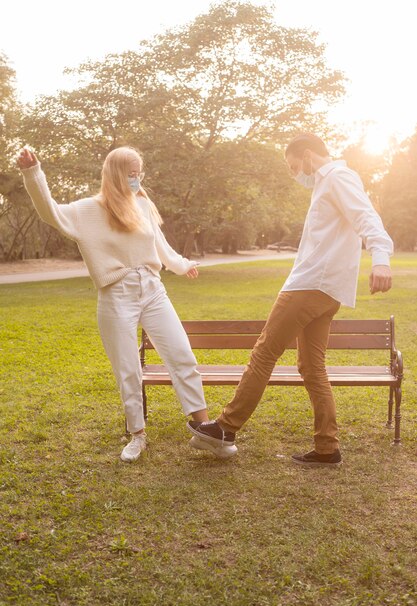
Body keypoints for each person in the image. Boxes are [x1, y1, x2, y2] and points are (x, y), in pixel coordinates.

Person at [188, 133, 393, 467]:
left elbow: (367, 218)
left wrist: (381, 258)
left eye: (294, 166)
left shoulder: (338, 177)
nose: (294, 173)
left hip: (310, 286)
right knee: (312, 367)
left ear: (308, 155)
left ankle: (225, 427)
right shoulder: (326, 186)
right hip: (326, 289)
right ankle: (327, 448)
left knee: (265, 351)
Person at [17, 146, 209, 462]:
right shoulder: (87, 210)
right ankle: (137, 435)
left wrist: (181, 264)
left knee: (182, 355)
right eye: (131, 174)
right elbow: (49, 211)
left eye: (139, 173)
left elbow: (160, 246)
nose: (137, 179)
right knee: (128, 370)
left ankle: (204, 429)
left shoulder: (143, 205)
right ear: (115, 174)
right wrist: (33, 173)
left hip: (152, 291)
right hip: (116, 296)